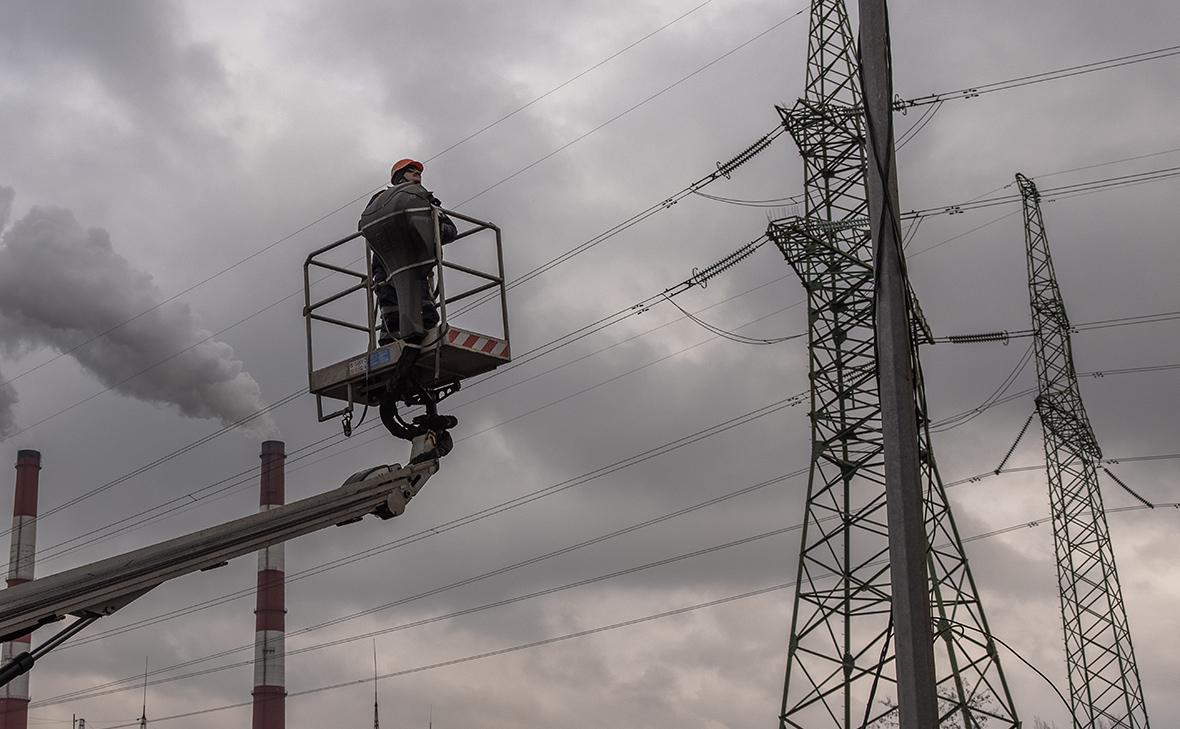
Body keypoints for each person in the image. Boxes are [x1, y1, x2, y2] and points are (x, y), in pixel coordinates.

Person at [360, 159, 457, 346]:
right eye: (411, 171)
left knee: (423, 314)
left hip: (417, 268)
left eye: (418, 172)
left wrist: (429, 228)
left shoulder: (426, 203)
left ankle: (417, 341)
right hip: (385, 272)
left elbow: (451, 230)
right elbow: (366, 226)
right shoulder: (380, 201)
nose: (417, 174)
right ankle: (393, 344)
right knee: (391, 318)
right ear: (398, 177)